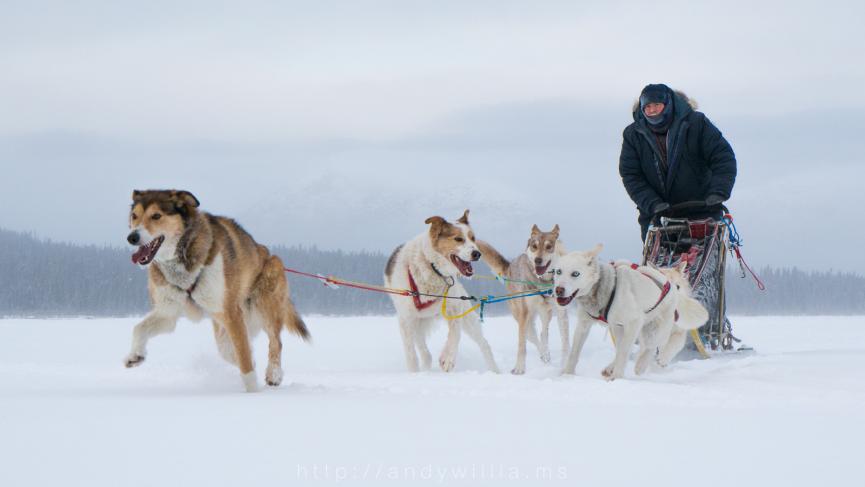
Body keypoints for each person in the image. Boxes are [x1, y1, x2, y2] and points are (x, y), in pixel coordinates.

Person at [619, 84, 737, 241]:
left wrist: (718, 192)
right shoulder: (633, 134)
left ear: (668, 105)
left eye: (657, 105)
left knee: (700, 263)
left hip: (702, 211)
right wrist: (652, 203)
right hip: (658, 216)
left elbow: (723, 158)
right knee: (656, 265)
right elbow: (631, 175)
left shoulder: (696, 123)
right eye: (647, 106)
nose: (652, 110)